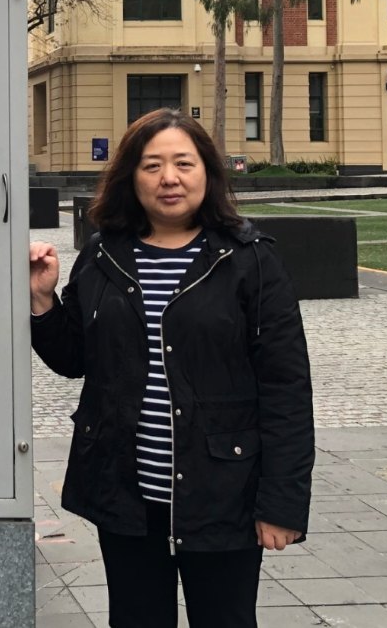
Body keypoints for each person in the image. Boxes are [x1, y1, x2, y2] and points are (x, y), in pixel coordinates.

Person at [29, 108, 314, 627]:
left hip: (222, 494)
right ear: (130, 176)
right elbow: (75, 359)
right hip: (127, 496)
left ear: (207, 171)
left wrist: (282, 504)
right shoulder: (103, 254)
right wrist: (44, 301)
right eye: (152, 165)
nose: (169, 178)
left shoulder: (249, 260)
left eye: (184, 163)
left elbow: (286, 388)